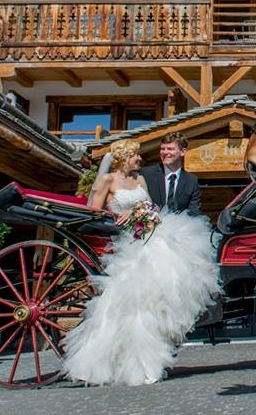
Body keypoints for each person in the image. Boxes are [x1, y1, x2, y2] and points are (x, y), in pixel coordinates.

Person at [62, 139, 221, 386]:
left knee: (158, 284)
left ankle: (155, 349)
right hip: (125, 240)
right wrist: (117, 216)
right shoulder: (107, 181)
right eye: (136, 155)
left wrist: (140, 214)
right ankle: (106, 361)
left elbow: (150, 207)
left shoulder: (139, 181)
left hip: (145, 233)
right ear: (125, 156)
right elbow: (93, 212)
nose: (141, 159)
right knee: (129, 299)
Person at [139, 132, 203, 216]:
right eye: (162, 149)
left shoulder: (191, 181)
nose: (165, 152)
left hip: (182, 227)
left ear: (182, 152)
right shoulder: (146, 174)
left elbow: (194, 213)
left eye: (170, 149)